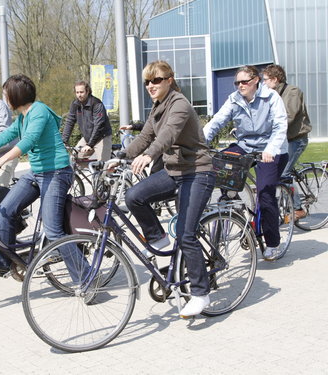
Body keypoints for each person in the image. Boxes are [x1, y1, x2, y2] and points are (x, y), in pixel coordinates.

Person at [0, 74, 87, 278]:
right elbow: (5, 136)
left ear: (16, 95)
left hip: (56, 172)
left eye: (6, 95)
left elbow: (29, 140)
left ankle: (87, 276)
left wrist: (0, 161)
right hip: (36, 173)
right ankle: (5, 261)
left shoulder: (39, 111)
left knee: (54, 231)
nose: (5, 100)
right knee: (5, 209)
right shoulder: (22, 117)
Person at [123, 60, 215, 317]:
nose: (151, 85)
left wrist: (150, 156)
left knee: (186, 234)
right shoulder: (157, 108)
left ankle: (200, 294)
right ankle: (158, 237)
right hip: (175, 172)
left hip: (198, 172)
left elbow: (168, 136)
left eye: (157, 80)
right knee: (134, 196)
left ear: (170, 80)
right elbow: (144, 137)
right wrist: (120, 156)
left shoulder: (179, 104)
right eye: (147, 82)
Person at [204, 65, 288, 261]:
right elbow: (217, 121)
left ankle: (273, 243)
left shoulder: (271, 97)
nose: (240, 85)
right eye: (237, 82)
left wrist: (270, 149)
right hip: (246, 145)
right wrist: (198, 143)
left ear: (256, 80)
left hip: (271, 148)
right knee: (221, 168)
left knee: (265, 191)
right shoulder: (234, 99)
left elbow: (280, 125)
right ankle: (233, 210)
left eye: (244, 82)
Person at [262, 64, 312, 220]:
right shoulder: (270, 94)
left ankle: (298, 209)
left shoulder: (292, 92)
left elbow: (288, 117)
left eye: (265, 80)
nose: (263, 83)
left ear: (275, 80)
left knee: (284, 174)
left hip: (295, 139)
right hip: (282, 141)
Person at [62, 81, 112, 161]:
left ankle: (105, 172)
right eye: (77, 92)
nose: (79, 95)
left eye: (81, 92)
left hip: (102, 137)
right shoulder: (75, 104)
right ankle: (90, 173)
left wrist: (90, 145)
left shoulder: (96, 104)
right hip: (87, 138)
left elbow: (99, 125)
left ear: (87, 91)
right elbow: (70, 122)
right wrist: (64, 141)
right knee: (74, 159)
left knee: (103, 166)